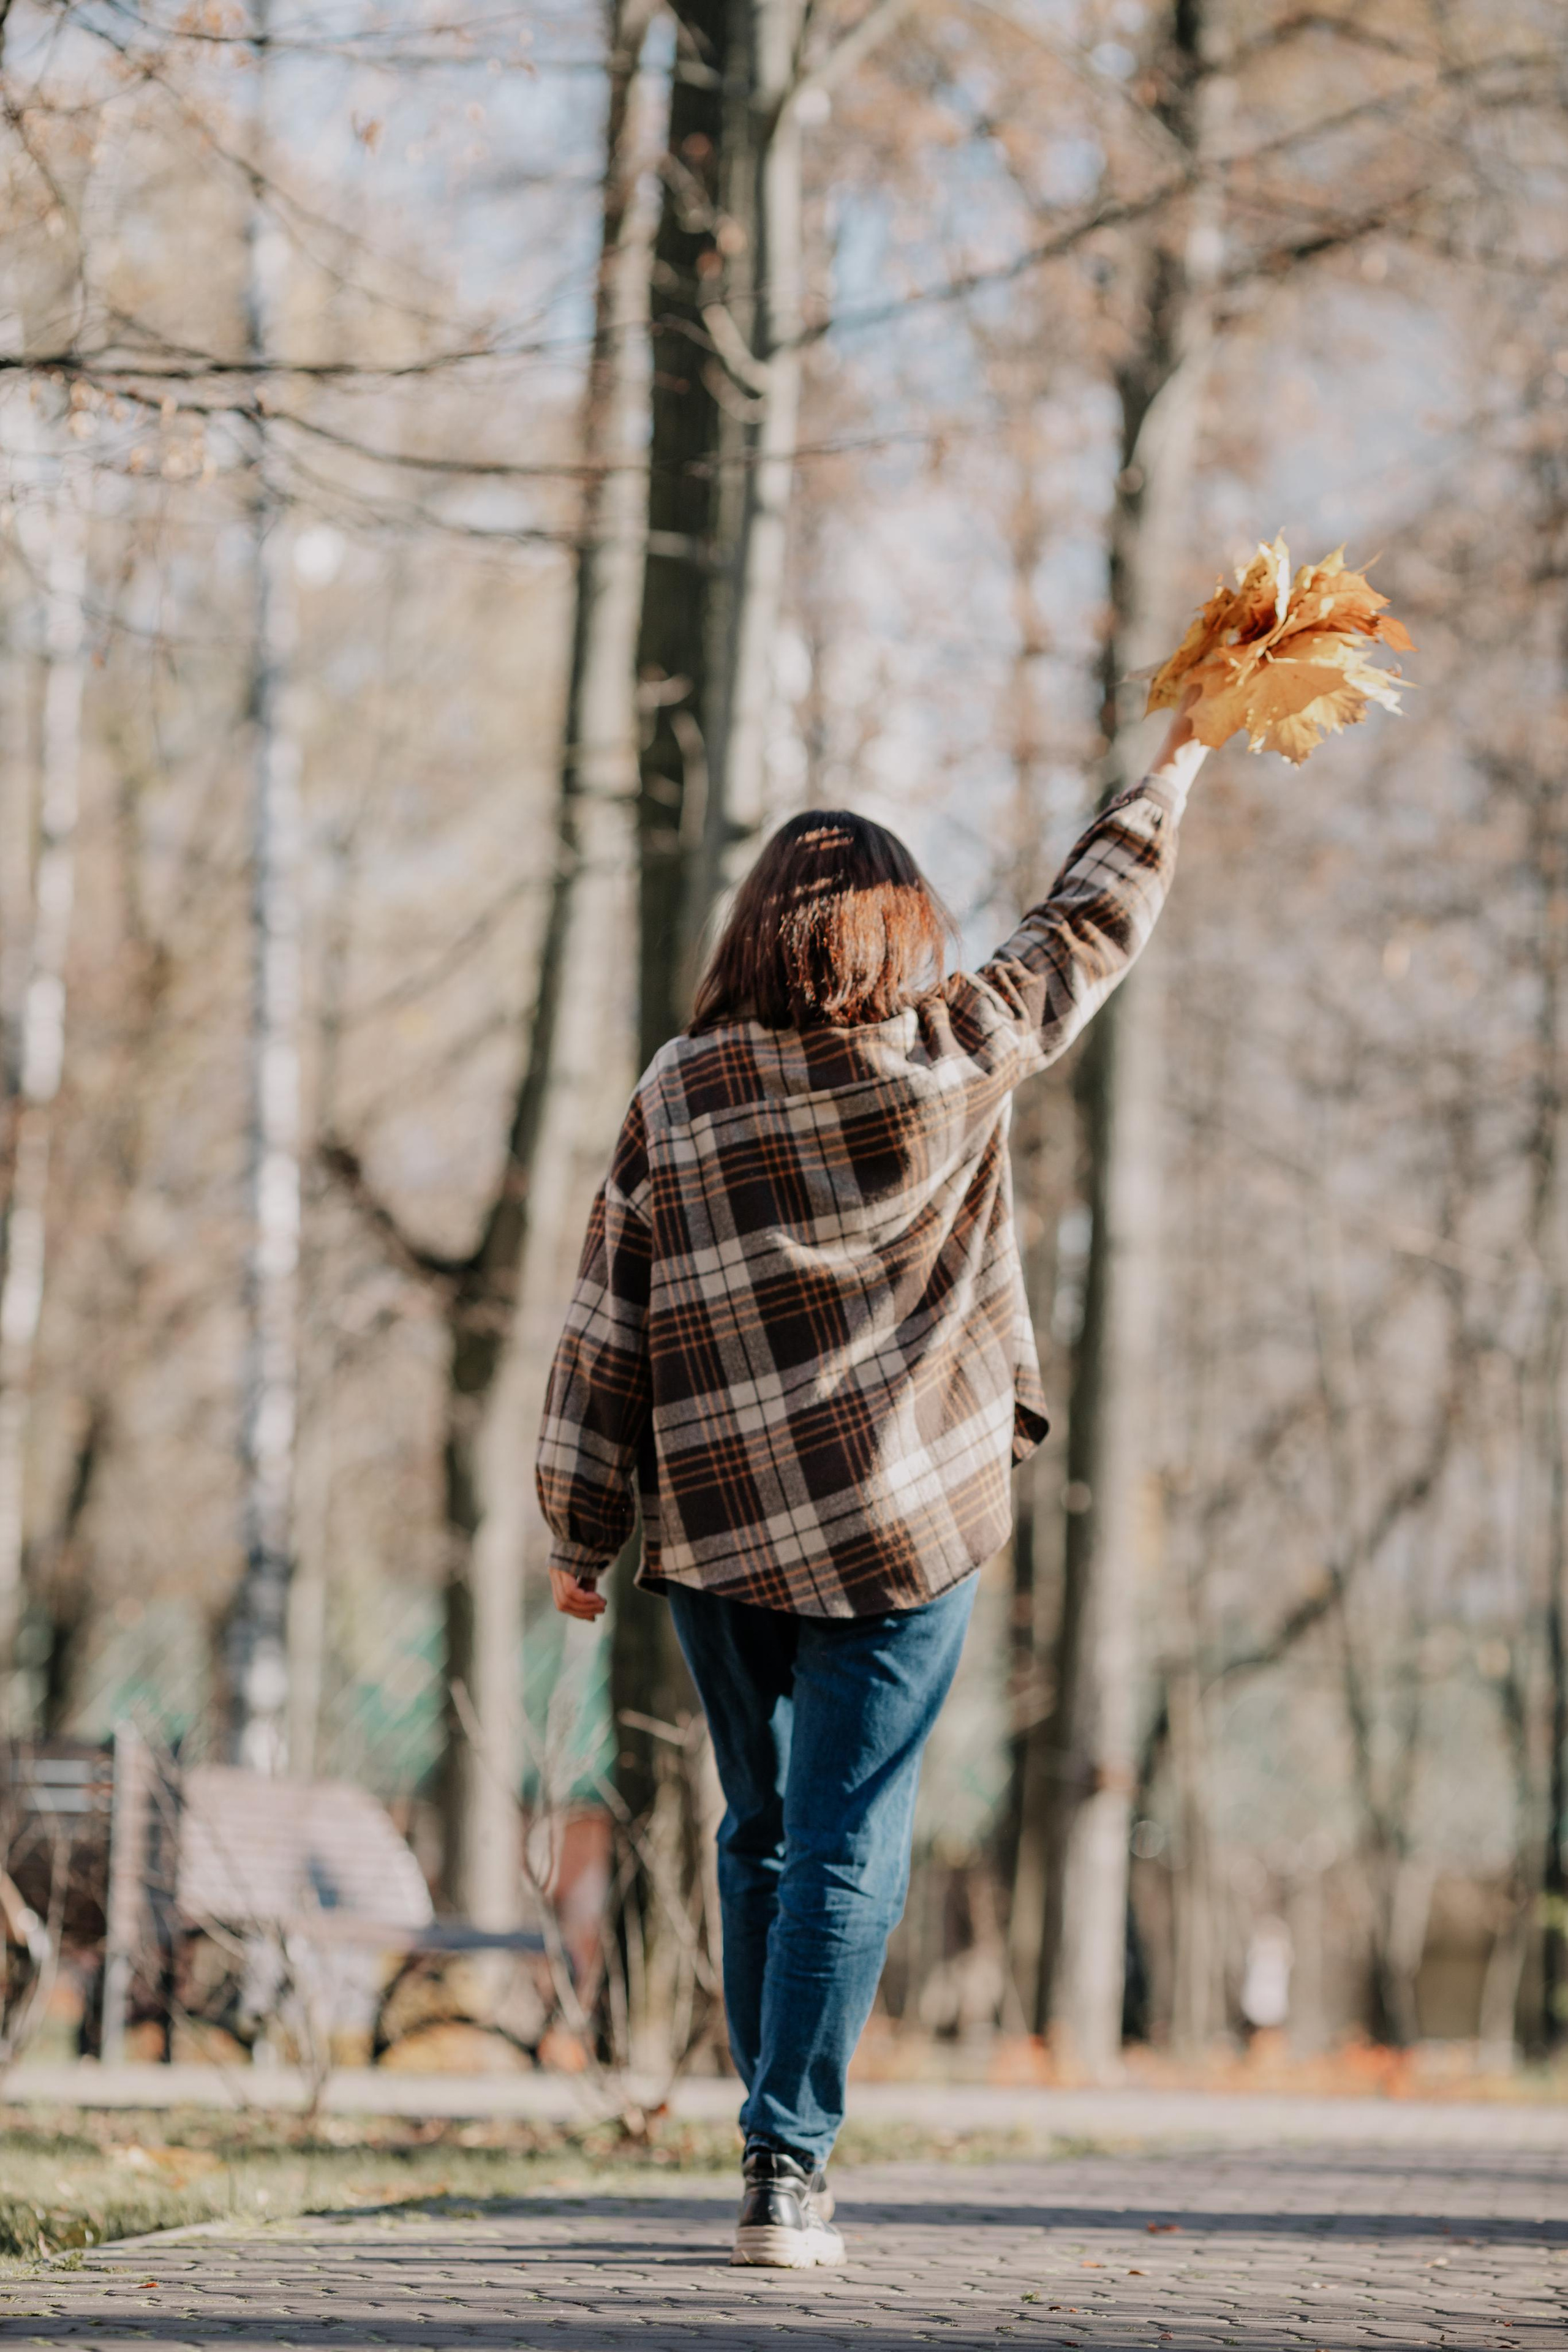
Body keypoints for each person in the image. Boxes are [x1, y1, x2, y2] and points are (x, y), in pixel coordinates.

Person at [535, 696, 1208, 2267]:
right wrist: (1170, 766)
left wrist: (579, 1529)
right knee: (846, 1834)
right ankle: (789, 2166)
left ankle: (770, 2139)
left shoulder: (679, 1089)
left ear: (755, 932)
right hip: (910, 1520)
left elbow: (601, 1320)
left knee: (761, 1823)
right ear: (906, 935)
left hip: (715, 1526)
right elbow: (1088, 921)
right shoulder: (956, 1049)